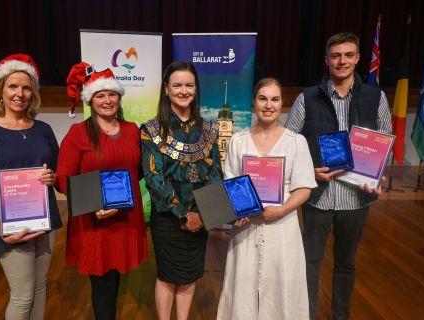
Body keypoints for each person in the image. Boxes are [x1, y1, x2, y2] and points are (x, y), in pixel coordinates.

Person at [285, 32, 392, 320]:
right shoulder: (307, 97)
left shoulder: (375, 97)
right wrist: (308, 173)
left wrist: (379, 174)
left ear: (357, 58)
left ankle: (340, 316)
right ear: (326, 60)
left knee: (346, 264)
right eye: (336, 55)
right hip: (317, 196)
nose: (341, 61)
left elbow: (385, 142)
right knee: (310, 262)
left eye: (348, 55)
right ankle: (306, 315)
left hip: (357, 198)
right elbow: (289, 142)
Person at [216, 78, 317, 320]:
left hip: (282, 226)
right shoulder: (238, 141)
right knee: (242, 285)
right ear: (253, 103)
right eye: (263, 99)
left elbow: (304, 187)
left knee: (282, 287)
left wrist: (281, 210)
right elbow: (231, 184)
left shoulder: (296, 142)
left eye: (275, 99)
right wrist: (240, 212)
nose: (268, 105)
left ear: (282, 103)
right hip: (247, 227)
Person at [0, 54, 62, 320]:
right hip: (10, 227)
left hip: (45, 220)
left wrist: (53, 178)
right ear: (0, 90)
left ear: (33, 92)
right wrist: (2, 230)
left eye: (25, 87)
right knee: (22, 297)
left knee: (41, 287)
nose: (19, 93)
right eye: (13, 86)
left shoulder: (43, 129)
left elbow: (57, 171)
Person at [55, 63, 147, 320]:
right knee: (103, 285)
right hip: (96, 220)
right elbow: (63, 179)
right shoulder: (78, 134)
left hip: (125, 217)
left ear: (119, 96)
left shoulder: (132, 130)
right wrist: (95, 203)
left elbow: (137, 171)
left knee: (115, 275)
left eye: (112, 94)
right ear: (91, 100)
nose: (108, 100)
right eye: (100, 95)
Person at [141, 61, 223, 320]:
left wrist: (201, 214)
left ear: (196, 89)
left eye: (189, 85)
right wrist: (183, 214)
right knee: (167, 277)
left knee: (189, 277)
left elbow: (216, 174)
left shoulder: (209, 129)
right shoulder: (151, 129)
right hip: (167, 217)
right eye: (177, 85)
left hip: (201, 215)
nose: (183, 90)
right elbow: (154, 179)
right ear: (166, 89)